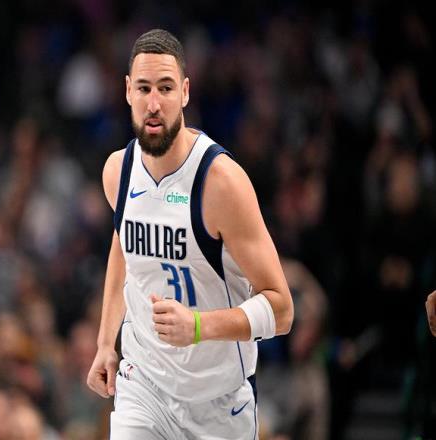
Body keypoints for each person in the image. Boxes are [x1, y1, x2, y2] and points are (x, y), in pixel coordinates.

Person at [86, 28, 294, 439]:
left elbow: (282, 310)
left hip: (217, 404)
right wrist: (106, 342)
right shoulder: (117, 172)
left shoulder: (221, 183)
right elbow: (123, 250)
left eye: (165, 88)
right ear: (127, 91)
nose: (154, 103)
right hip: (143, 386)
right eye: (144, 88)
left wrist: (198, 327)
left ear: (184, 92)